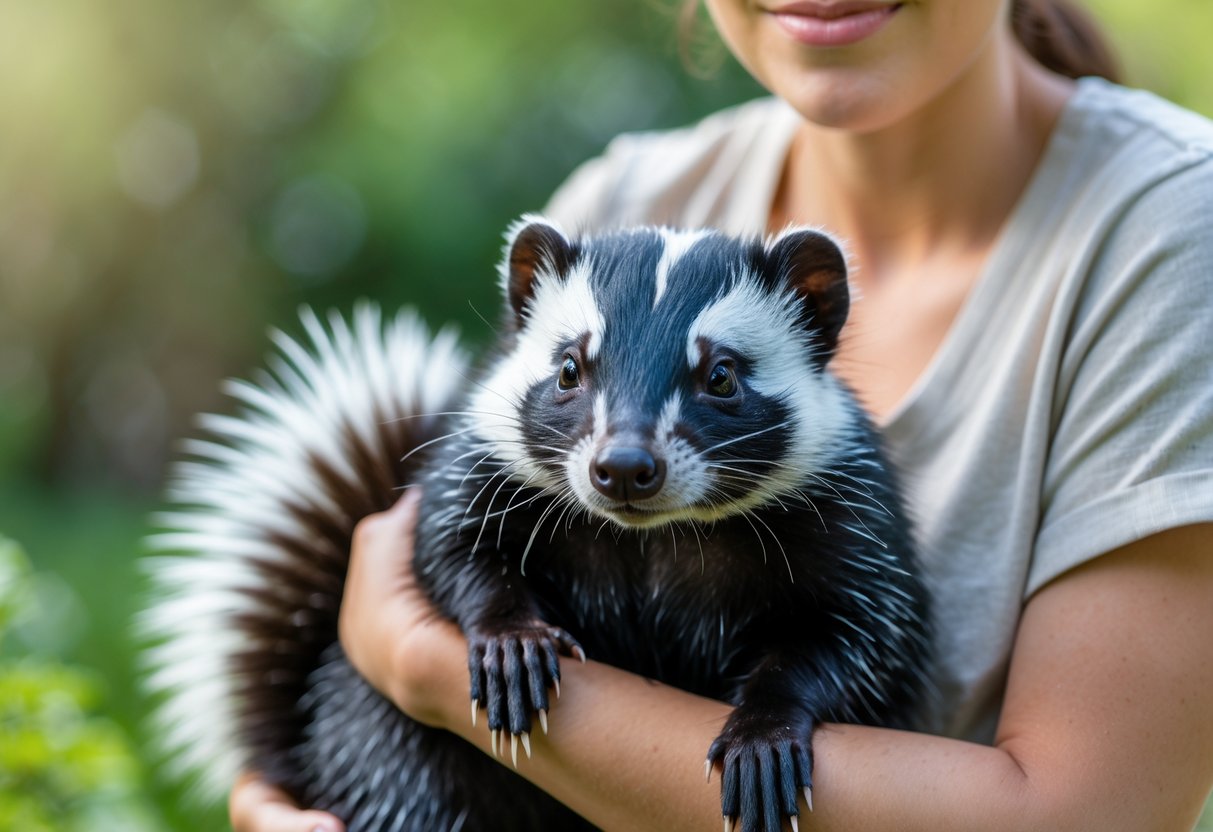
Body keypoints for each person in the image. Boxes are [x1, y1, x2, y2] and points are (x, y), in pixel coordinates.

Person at [230, 0, 1213, 829]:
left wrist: (428, 664)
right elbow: (395, 583)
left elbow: (1082, 813)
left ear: (814, 318)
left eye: (719, 385)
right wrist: (268, 802)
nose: (623, 453)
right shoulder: (622, 197)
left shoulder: (1171, 231)